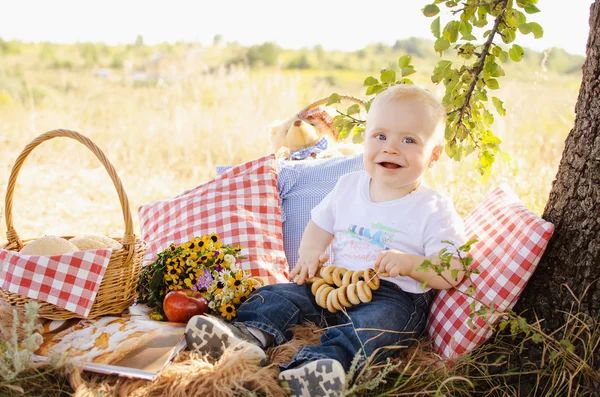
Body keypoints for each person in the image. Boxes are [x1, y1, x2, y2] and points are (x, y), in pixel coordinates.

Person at [185, 84, 466, 397]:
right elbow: (320, 225)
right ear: (366, 139)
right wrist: (309, 256)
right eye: (380, 136)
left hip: (393, 294)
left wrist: (411, 264)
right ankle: (247, 337)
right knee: (278, 295)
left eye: (409, 140)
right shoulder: (350, 185)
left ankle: (318, 367)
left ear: (435, 155)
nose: (391, 148)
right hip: (332, 283)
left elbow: (452, 269)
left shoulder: (434, 208)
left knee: (374, 327)